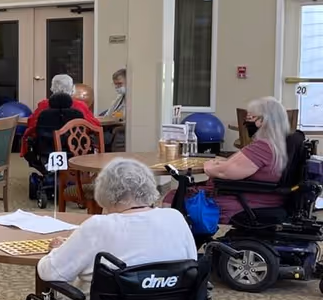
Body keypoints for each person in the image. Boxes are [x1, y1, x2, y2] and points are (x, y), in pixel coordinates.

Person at [38, 157, 198, 289]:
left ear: (106, 193)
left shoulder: (98, 226)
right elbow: (192, 265)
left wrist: (57, 250)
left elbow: (50, 272)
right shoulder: (175, 217)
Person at [193, 96, 289, 224]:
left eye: (250, 118)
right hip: (266, 198)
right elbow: (237, 165)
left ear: (262, 120)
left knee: (175, 196)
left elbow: (226, 173)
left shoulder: (263, 147)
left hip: (245, 201)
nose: (246, 123)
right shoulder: (280, 144)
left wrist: (208, 167)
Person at [21, 74, 99, 157]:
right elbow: (94, 125)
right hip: (76, 149)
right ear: (72, 90)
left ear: (52, 89)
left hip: (47, 149)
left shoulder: (43, 106)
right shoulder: (80, 106)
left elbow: (32, 124)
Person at [101, 69, 127, 152]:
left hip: (118, 128)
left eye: (120, 84)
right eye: (115, 84)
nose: (117, 87)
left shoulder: (134, 99)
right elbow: (109, 113)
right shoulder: (119, 97)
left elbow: (124, 116)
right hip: (110, 126)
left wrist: (116, 115)